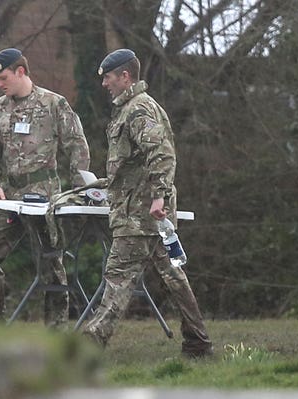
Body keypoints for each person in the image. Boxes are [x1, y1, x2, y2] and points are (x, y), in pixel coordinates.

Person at [82, 49, 213, 357]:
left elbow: (163, 154)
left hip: (140, 213)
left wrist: (159, 196)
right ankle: (198, 341)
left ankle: (90, 345)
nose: (105, 84)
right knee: (172, 276)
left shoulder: (138, 110)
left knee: (117, 275)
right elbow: (134, 163)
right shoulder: (132, 109)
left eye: (109, 78)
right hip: (142, 211)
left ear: (125, 76)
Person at [0, 48, 90, 328]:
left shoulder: (53, 104)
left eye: (3, 78)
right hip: (10, 197)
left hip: (46, 196)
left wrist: (77, 189)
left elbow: (77, 146)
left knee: (52, 268)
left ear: (20, 71)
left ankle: (55, 332)